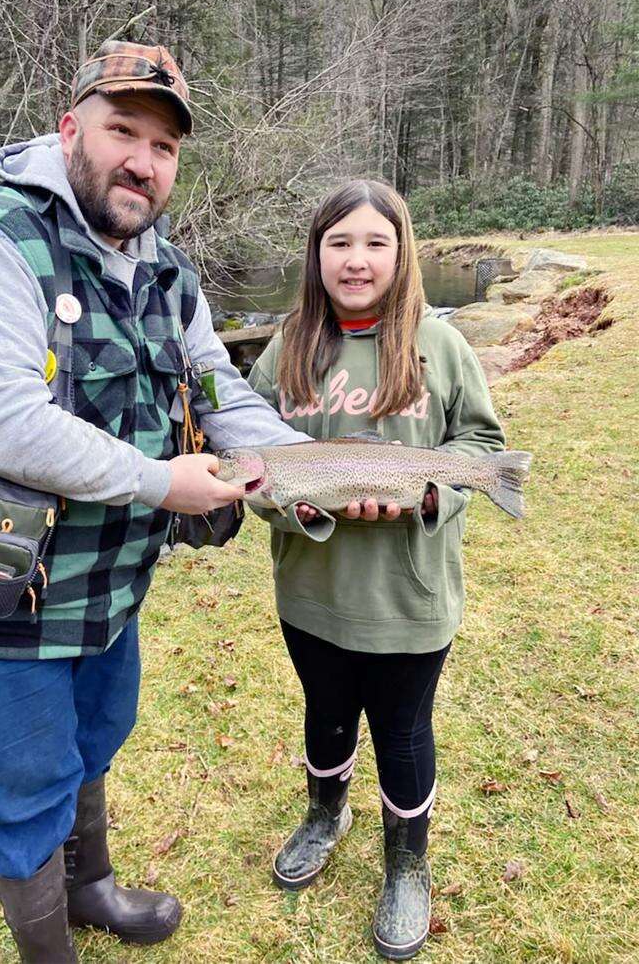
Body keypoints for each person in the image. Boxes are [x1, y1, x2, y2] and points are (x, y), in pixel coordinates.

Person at [0, 40, 308, 963]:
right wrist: (165, 482)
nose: (142, 161)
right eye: (123, 130)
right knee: (23, 780)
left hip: (107, 587)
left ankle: (92, 886)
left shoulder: (169, 269)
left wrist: (303, 462)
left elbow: (214, 387)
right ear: (69, 126)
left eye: (164, 147)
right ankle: (49, 952)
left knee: (95, 736)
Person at [247, 179, 506, 960]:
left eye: (374, 243)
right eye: (339, 243)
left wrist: (431, 494)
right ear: (315, 254)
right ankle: (326, 812)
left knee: (402, 731)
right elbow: (254, 467)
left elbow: (484, 449)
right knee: (325, 714)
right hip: (312, 597)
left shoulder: (440, 343)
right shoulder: (287, 343)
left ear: (403, 253)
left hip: (411, 600)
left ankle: (407, 865)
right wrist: (300, 507)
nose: (356, 261)